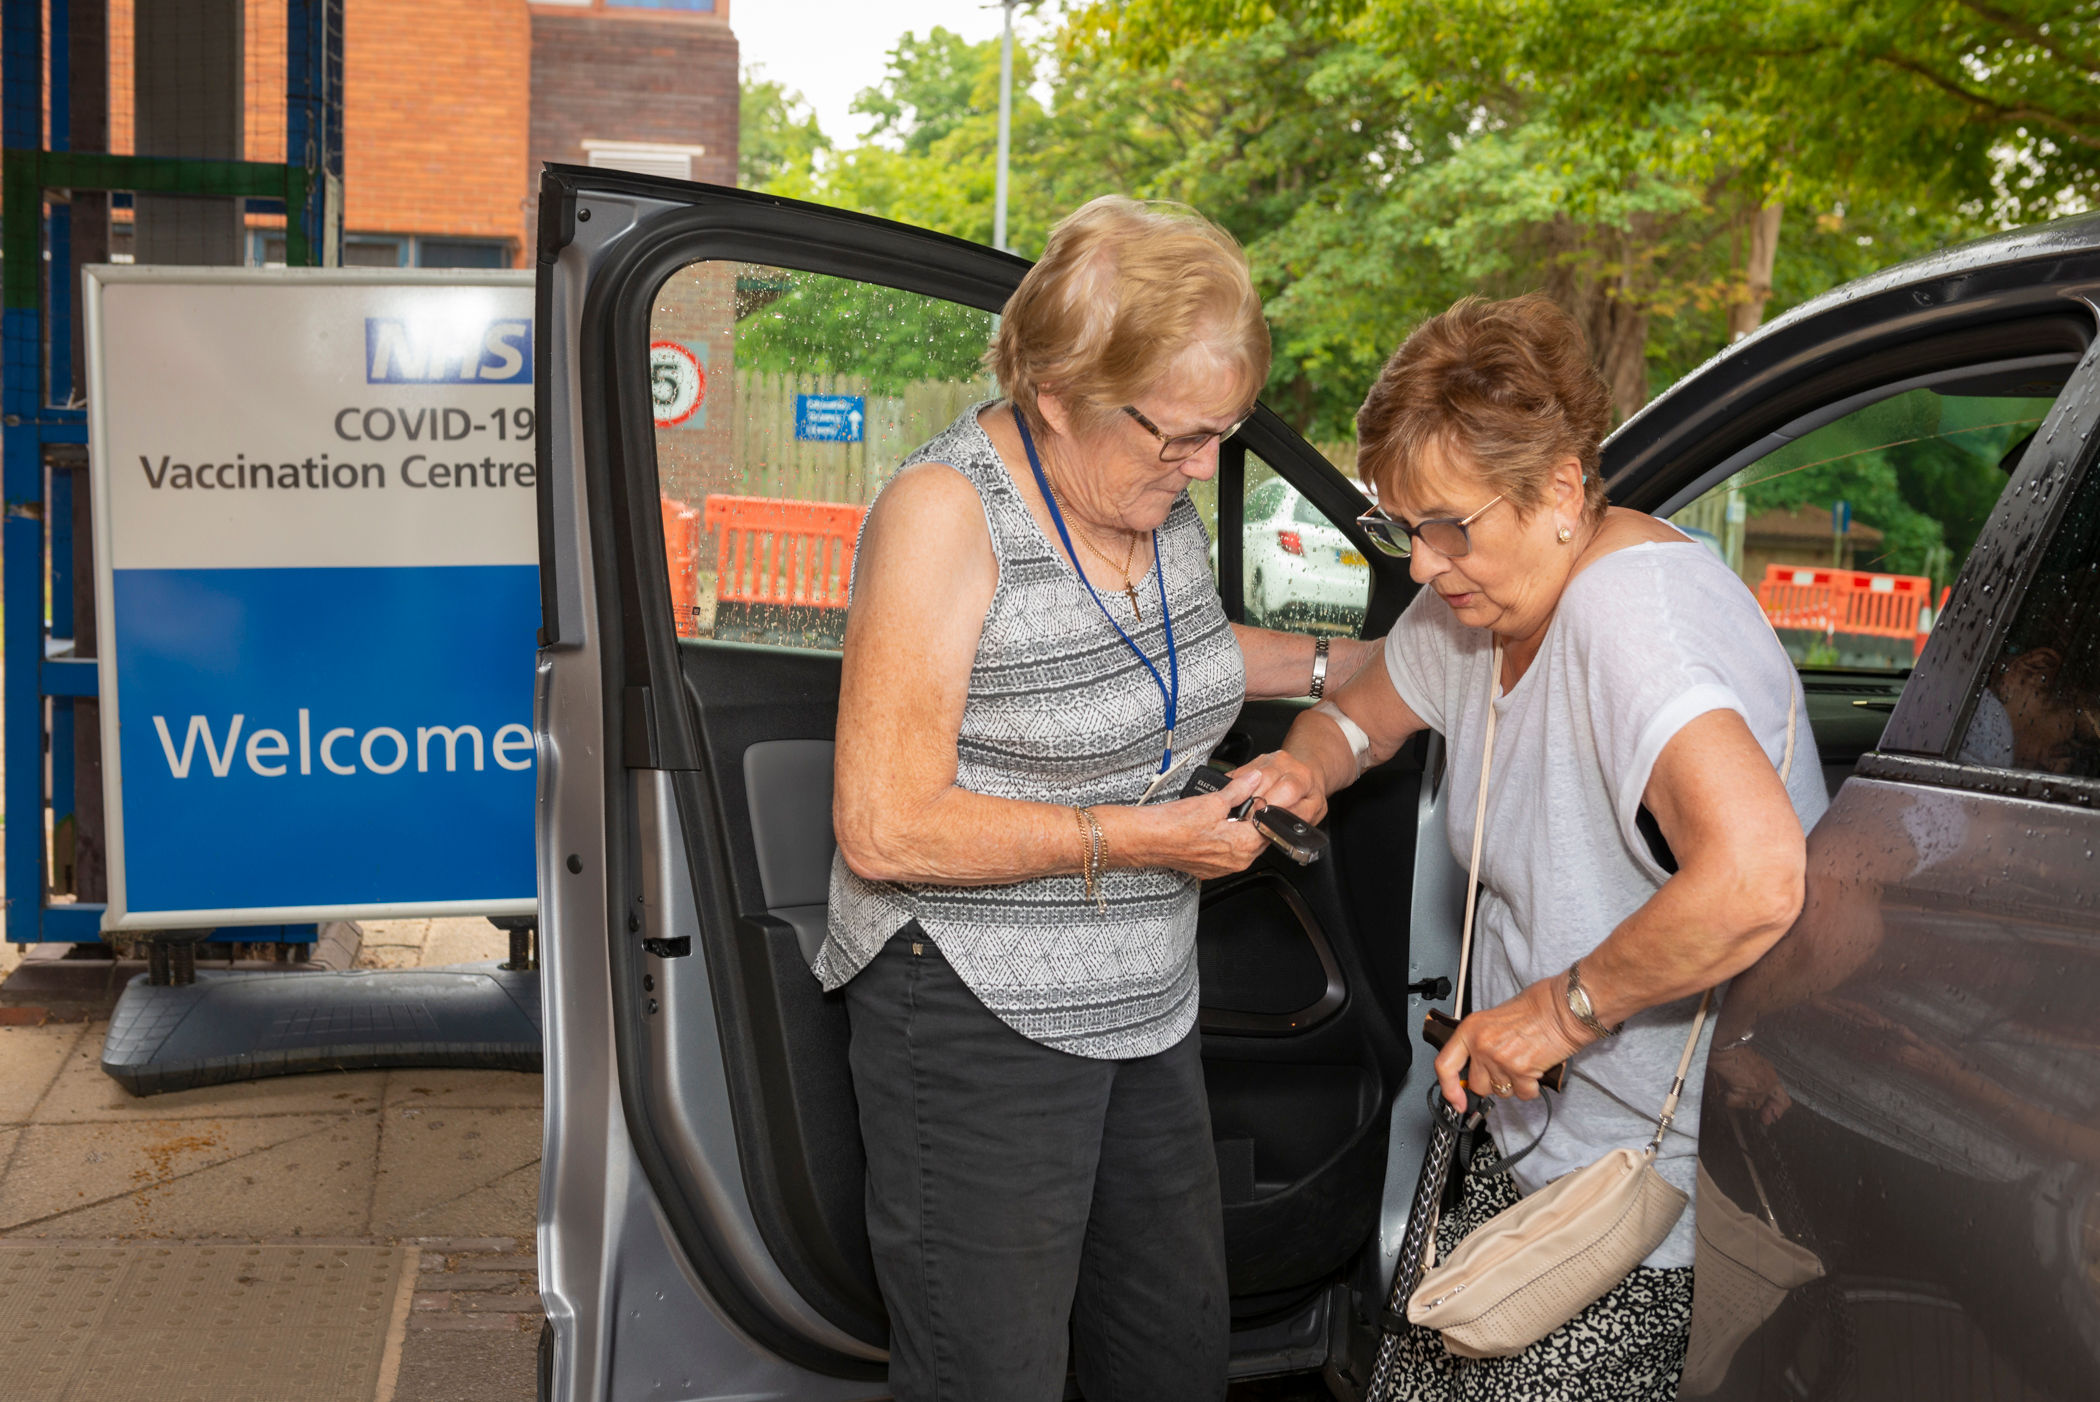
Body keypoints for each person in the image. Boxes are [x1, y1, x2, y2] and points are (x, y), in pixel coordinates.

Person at [817, 195, 1378, 1402]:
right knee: (992, 1374)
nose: (1201, 467)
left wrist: (1362, 670)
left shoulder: (1145, 492)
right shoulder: (945, 514)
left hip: (1145, 993)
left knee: (1169, 1361)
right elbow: (882, 822)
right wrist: (1144, 837)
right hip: (978, 1008)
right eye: (1177, 435)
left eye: (1222, 432)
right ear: (1057, 385)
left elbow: (1165, 647)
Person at [1240, 295, 1828, 1399]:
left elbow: (1757, 874)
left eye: (1447, 525)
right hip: (1508, 1149)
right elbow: (1362, 711)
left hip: (1632, 1205)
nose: (1421, 564)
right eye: (1400, 526)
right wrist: (1307, 767)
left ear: (1561, 490)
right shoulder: (1484, 600)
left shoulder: (1635, 626)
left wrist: (1559, 1013)